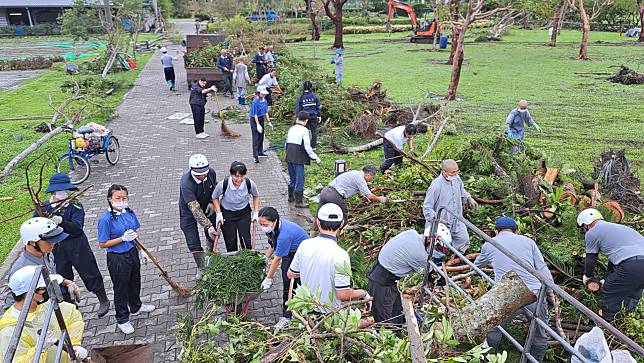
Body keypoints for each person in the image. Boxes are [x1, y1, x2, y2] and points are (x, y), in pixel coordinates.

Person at [474, 217, 554, 362]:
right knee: (539, 332)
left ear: (496, 231)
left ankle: (488, 358)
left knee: (495, 328)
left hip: (508, 292)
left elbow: (478, 264)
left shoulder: (490, 243)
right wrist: (549, 291)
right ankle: (534, 360)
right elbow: (541, 267)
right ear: (516, 230)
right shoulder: (529, 242)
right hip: (534, 292)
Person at [36, 173, 109, 317]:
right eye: (58, 191)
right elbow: (37, 224)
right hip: (57, 246)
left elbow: (77, 228)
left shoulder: (75, 205)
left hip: (77, 243)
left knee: (89, 270)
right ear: (53, 191)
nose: (61, 193)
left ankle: (103, 299)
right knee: (62, 274)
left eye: (63, 190)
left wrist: (61, 220)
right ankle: (70, 304)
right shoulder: (45, 207)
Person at [288, 203, 370, 313]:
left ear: (317, 222)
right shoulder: (340, 255)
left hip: (306, 310)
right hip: (328, 315)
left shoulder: (305, 244)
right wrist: (363, 293)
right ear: (341, 224)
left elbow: (291, 274)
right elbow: (343, 294)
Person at [97, 184, 155, 334]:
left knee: (135, 281)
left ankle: (136, 305)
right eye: (118, 198)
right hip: (117, 257)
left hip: (132, 252)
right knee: (121, 288)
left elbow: (134, 233)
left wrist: (141, 251)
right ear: (110, 199)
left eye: (124, 198)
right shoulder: (105, 219)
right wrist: (122, 239)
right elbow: (103, 243)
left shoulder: (128, 212)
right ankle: (122, 318)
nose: (121, 201)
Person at [0, 266, 88, 363]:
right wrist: (39, 350)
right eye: (43, 289)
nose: (47, 290)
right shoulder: (10, 332)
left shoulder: (47, 305)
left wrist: (75, 345)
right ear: (29, 294)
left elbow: (72, 317)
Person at [368, 224, 451, 324]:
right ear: (430, 240)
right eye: (438, 248)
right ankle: (388, 336)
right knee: (385, 319)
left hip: (386, 272)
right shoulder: (419, 254)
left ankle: (399, 331)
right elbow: (431, 276)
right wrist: (445, 281)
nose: (438, 252)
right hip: (383, 280)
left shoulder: (412, 234)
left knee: (397, 310)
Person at [1, 217, 80, 315]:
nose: (53, 244)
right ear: (32, 243)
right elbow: (11, 304)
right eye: (49, 240)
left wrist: (67, 282)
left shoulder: (46, 253)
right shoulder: (21, 270)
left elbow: (49, 275)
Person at [577, 208, 644, 321]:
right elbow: (613, 262)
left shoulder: (592, 232)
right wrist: (607, 279)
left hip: (631, 265)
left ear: (586, 224)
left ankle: (610, 325)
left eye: (583, 229)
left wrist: (588, 276)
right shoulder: (619, 228)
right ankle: (627, 320)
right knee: (633, 291)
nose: (584, 232)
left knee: (608, 293)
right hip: (637, 264)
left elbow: (591, 259)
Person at [258, 207, 309, 330]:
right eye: (260, 224)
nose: (262, 227)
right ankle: (296, 306)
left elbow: (277, 259)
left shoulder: (284, 235)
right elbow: (273, 244)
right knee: (289, 278)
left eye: (265, 224)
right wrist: (265, 257)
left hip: (301, 254)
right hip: (289, 251)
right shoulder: (274, 228)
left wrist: (268, 278)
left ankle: (287, 316)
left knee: (289, 284)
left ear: (275, 221)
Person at [423, 159, 478, 253]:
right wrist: (437, 219)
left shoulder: (457, 179)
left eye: (457, 171)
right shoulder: (436, 186)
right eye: (453, 172)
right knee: (438, 247)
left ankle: (456, 261)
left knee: (463, 239)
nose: (456, 174)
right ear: (444, 172)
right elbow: (427, 207)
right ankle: (436, 264)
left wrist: (469, 198)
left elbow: (462, 191)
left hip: (457, 218)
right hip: (441, 222)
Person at [179, 154, 218, 280]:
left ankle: (209, 256)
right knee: (192, 240)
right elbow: (195, 209)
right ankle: (201, 266)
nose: (202, 176)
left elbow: (216, 189)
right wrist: (208, 226)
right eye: (199, 175)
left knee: (212, 234)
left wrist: (212, 203)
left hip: (207, 205)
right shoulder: (186, 183)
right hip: (189, 211)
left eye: (204, 173)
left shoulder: (211, 173)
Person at [211, 162, 261, 252]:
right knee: (231, 242)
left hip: (243, 213)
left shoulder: (249, 183)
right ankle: (234, 262)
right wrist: (219, 213)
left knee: (246, 241)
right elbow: (214, 197)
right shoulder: (224, 184)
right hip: (227, 214)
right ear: (231, 174)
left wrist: (256, 212)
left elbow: (256, 196)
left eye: (241, 176)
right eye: (236, 176)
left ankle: (247, 259)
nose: (239, 179)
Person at [317, 165, 385, 226]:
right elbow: (370, 196)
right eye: (372, 177)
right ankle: (340, 234)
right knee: (343, 214)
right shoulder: (360, 179)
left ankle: (312, 234)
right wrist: (380, 199)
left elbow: (360, 191)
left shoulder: (354, 173)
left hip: (325, 191)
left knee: (320, 215)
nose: (371, 180)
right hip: (335, 195)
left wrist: (363, 197)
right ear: (368, 174)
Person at [286, 111, 321, 208]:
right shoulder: (304, 131)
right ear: (306, 120)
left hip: (289, 154)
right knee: (300, 178)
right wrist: (315, 157)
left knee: (292, 177)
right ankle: (299, 202)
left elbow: (286, 143)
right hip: (298, 156)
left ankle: (290, 197)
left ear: (297, 119)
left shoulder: (291, 128)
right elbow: (307, 147)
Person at [295, 80, 321, 149]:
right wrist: (319, 115)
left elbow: (298, 109)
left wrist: (298, 117)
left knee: (304, 131)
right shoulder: (315, 96)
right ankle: (313, 146)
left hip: (304, 116)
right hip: (313, 116)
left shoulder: (300, 97)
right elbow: (318, 107)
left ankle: (305, 145)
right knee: (314, 131)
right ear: (311, 87)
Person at [249, 86, 272, 163]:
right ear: (259, 93)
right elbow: (255, 114)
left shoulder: (264, 101)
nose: (264, 95)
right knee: (255, 138)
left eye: (265, 94)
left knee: (261, 136)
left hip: (261, 118)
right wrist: (257, 124)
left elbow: (266, 112)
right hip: (254, 120)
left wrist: (269, 122)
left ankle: (260, 152)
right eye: (263, 94)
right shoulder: (255, 102)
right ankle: (255, 156)